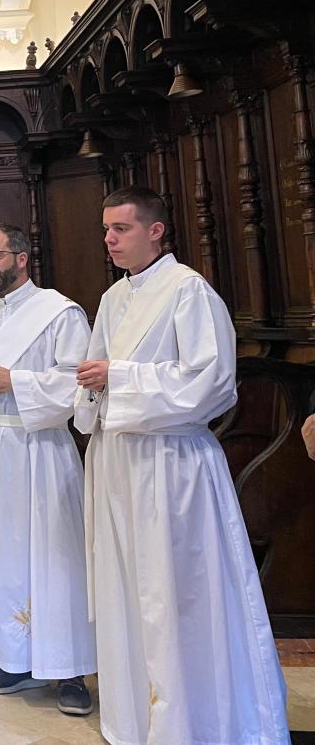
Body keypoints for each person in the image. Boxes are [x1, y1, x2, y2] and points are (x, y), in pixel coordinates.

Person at [75, 187, 288, 744]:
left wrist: (118, 378)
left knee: (177, 593)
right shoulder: (113, 299)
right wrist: (95, 387)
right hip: (119, 462)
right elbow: (95, 376)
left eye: (121, 228)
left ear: (156, 230)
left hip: (172, 466)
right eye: (106, 230)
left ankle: (194, 720)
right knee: (128, 589)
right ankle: (137, 716)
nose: (110, 240)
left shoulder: (189, 292)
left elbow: (212, 384)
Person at [0, 224, 95, 717]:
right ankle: (15, 658)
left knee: (54, 555)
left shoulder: (60, 313)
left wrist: (16, 382)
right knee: (1, 555)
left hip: (39, 448)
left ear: (22, 258)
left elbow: (79, 382)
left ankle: (70, 670)